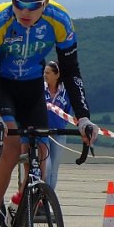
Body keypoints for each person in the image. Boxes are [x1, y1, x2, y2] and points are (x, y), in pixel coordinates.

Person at [0, 0, 96, 227]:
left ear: (47, 0)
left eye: (34, 5)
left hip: (32, 87)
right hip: (2, 86)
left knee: (41, 150)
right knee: (12, 145)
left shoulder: (60, 20)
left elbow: (70, 71)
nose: (26, 12)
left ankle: (19, 208)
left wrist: (83, 118)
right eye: (19, 4)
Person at [44, 60, 73, 190]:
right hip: (42, 133)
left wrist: (61, 124)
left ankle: (50, 200)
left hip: (59, 134)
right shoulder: (40, 90)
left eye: (48, 73)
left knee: (54, 170)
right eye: (44, 72)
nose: (45, 75)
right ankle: (41, 197)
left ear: (57, 75)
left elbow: (68, 111)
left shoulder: (65, 92)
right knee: (47, 167)